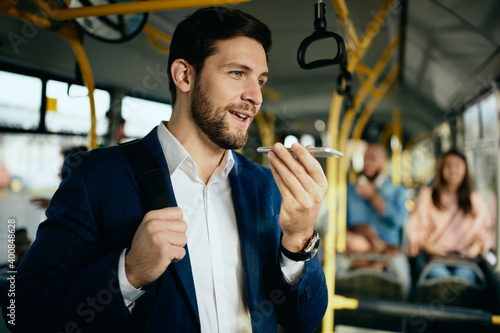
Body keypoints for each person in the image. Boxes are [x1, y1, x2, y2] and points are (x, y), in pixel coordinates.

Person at [3, 7, 328, 332]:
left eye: (260, 80)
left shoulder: (264, 185)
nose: (255, 96)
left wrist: (299, 239)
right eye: (237, 74)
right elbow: (21, 310)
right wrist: (128, 272)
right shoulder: (97, 176)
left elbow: (304, 321)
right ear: (184, 75)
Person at [407, 149, 493, 282]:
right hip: (433, 256)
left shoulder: (475, 200)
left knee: (464, 278)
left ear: (465, 169)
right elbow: (416, 227)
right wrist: (428, 245)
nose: (453, 170)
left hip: (464, 258)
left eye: (457, 165)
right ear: (441, 169)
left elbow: (485, 231)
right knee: (440, 278)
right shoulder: (427, 196)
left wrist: (474, 249)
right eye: (448, 165)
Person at [345, 143, 408, 264]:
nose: (368, 163)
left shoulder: (397, 191)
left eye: (372, 158)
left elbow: (398, 221)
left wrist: (373, 197)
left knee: (403, 276)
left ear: (384, 161)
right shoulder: (351, 191)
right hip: (356, 251)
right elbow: (338, 222)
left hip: (389, 251)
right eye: (365, 158)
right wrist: (349, 237)